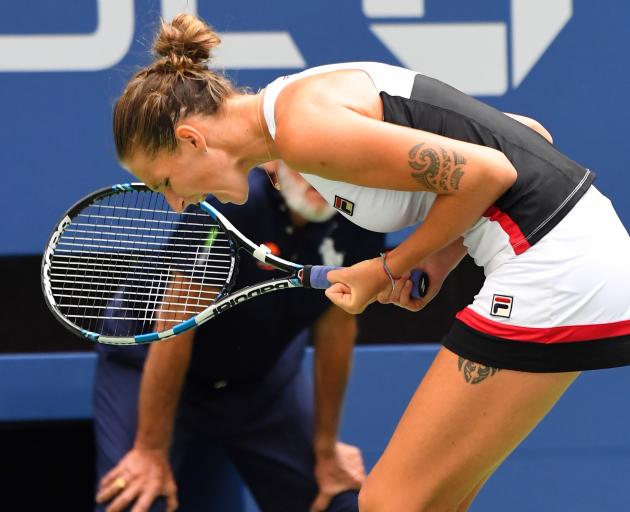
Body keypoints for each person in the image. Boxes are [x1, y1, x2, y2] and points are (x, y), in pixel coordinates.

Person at [110, 13, 630, 511]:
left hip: (554, 268)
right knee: (435, 502)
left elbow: (489, 172)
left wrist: (386, 267)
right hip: (575, 255)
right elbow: (525, 133)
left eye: (164, 184)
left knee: (388, 503)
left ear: (191, 140)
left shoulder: (302, 130)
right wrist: (437, 261)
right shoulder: (298, 105)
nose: (176, 203)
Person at [94, 163, 385, 512]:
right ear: (274, 162)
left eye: (334, 163)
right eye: (310, 162)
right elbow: (175, 329)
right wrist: (150, 450)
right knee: (136, 499)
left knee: (339, 500)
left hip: (262, 385)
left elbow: (336, 331)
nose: (323, 177)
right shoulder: (234, 201)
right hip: (148, 361)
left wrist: (325, 449)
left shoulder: (362, 217)